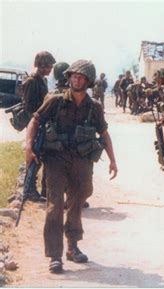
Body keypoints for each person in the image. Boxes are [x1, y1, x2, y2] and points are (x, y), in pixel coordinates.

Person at [24, 60, 118, 274]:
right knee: (55, 205)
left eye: (81, 76)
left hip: (82, 161)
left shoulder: (94, 107)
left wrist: (113, 159)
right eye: (73, 75)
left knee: (76, 204)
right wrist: (28, 147)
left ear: (88, 81)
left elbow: (103, 134)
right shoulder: (55, 100)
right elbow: (35, 121)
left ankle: (72, 246)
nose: (76, 78)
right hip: (56, 160)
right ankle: (55, 256)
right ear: (69, 78)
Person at [22, 51, 56, 202]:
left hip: (42, 123)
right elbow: (29, 107)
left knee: (40, 156)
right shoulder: (31, 81)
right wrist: (37, 124)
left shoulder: (42, 80)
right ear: (41, 65)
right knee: (34, 156)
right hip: (36, 124)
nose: (50, 69)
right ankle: (29, 190)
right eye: (48, 66)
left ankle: (38, 189)